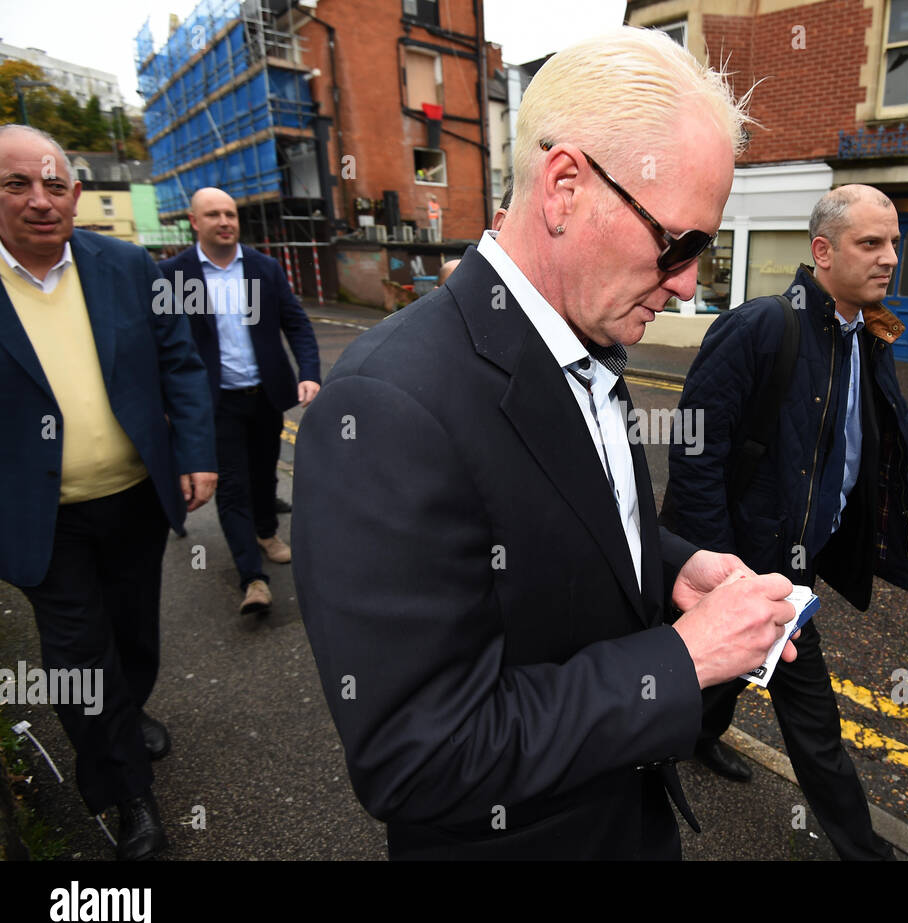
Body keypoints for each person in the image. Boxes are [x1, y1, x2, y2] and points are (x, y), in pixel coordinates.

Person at [291, 27, 799, 860]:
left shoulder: (586, 332)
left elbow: (557, 517)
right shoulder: (387, 408)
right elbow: (417, 757)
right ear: (565, 186)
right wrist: (679, 659)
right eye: (678, 244)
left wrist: (671, 565)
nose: (683, 284)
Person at [663, 184, 908, 861]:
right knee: (814, 722)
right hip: (748, 567)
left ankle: (695, 737)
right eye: (872, 243)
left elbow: (901, 434)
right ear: (823, 251)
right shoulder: (761, 326)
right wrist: (717, 570)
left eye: (894, 242)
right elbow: (695, 451)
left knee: (727, 671)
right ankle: (863, 850)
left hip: (799, 556)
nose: (890, 258)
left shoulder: (867, 336)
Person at [0, 124, 217, 860]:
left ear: (77, 195)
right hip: (40, 518)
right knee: (77, 656)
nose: (39, 201)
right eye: (17, 185)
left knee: (132, 633)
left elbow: (180, 365)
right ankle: (128, 796)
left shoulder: (126, 265)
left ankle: (129, 712)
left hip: (131, 498)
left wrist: (194, 452)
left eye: (55, 184)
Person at [160, 188, 321, 615]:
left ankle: (267, 532)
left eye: (230, 213)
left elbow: (297, 324)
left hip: (265, 395)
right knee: (231, 487)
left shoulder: (264, 268)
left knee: (264, 474)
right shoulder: (173, 274)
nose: (225, 221)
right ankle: (253, 578)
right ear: (194, 222)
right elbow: (157, 345)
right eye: (213, 214)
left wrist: (309, 373)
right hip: (215, 403)